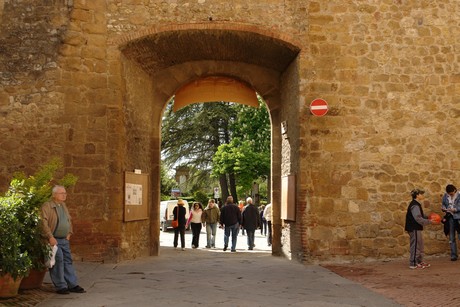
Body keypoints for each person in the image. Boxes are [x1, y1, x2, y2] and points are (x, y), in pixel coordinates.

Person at [40, 185, 85, 294]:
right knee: (58, 260)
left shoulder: (63, 205)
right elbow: (42, 222)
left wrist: (69, 233)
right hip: (53, 240)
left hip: (64, 240)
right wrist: (50, 237)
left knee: (67, 260)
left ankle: (72, 284)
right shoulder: (47, 206)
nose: (64, 195)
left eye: (65, 193)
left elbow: (68, 220)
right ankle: (61, 286)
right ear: (54, 195)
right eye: (62, 193)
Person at [404, 189, 436, 269]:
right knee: (415, 246)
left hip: (416, 228)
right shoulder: (414, 205)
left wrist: (428, 217)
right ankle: (413, 263)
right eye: (421, 194)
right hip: (413, 228)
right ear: (417, 195)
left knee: (420, 245)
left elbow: (420, 215)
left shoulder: (417, 204)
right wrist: (429, 221)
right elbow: (418, 218)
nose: (423, 195)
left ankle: (419, 261)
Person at [442, 184, 460, 261]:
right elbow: (443, 204)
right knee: (451, 237)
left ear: (454, 190)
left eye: (451, 193)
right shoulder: (445, 196)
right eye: (449, 193)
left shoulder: (459, 195)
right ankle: (453, 255)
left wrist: (455, 209)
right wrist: (443, 208)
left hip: (458, 218)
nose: (450, 195)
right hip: (450, 218)